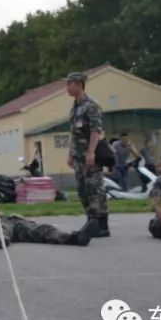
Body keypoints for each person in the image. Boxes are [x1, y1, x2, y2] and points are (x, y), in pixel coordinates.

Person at [64, 72, 109, 238]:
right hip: (78, 157)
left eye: (70, 84)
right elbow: (74, 133)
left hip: (90, 155)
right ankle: (91, 222)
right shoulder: (75, 107)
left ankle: (101, 225)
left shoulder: (91, 105)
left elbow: (96, 130)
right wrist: (70, 154)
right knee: (82, 190)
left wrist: (91, 152)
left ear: (79, 84)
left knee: (95, 189)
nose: (67, 87)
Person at [0, 212, 95, 249]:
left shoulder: (9, 215)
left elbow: (31, 222)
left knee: (45, 229)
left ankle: (74, 238)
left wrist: (20, 217)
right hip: (5, 225)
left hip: (21, 224)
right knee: (2, 228)